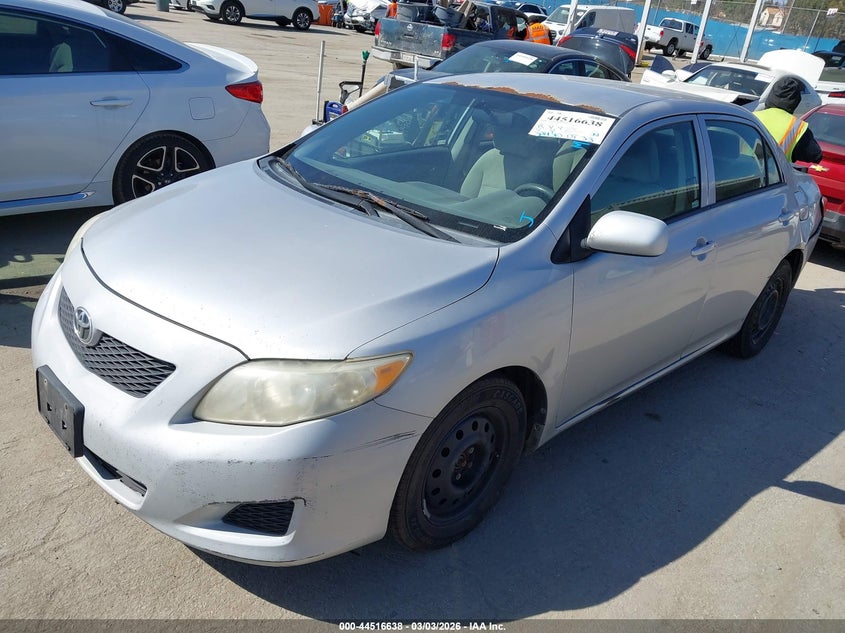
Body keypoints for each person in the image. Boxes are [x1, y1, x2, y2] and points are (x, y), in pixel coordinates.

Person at [754, 77, 822, 163]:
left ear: (771, 95)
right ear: (796, 100)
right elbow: (815, 155)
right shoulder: (797, 127)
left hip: (740, 172)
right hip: (773, 174)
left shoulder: (753, 116)